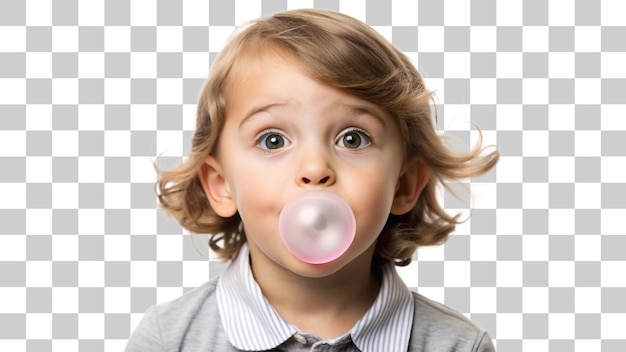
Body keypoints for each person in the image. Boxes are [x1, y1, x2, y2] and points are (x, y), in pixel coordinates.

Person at [126, 8, 499, 352]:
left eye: (353, 138)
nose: (315, 168)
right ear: (221, 185)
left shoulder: (458, 346)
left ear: (403, 185)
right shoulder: (170, 339)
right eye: (273, 140)